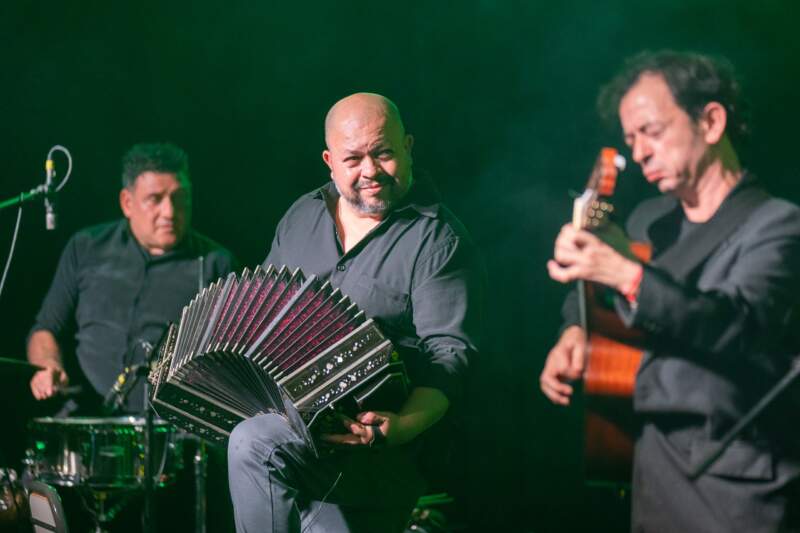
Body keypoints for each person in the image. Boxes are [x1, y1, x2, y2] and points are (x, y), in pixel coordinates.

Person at [540, 50, 800, 532]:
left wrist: (627, 275)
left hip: (737, 491)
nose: (638, 153)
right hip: (652, 481)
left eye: (652, 132)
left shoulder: (778, 225)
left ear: (712, 121)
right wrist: (575, 330)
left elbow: (737, 327)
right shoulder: (647, 222)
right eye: (630, 139)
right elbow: (607, 307)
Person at [226, 93, 485, 533]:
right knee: (247, 437)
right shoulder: (300, 217)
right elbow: (262, 314)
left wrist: (401, 426)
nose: (370, 171)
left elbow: (450, 358)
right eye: (353, 158)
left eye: (383, 152)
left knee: (253, 442)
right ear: (329, 161)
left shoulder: (439, 239)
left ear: (408, 147)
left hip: (374, 458)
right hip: (293, 438)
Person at [28, 142, 237, 415]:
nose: (169, 212)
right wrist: (48, 366)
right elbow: (45, 329)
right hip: (85, 419)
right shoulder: (87, 247)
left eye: (179, 197)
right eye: (155, 199)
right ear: (127, 203)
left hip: (169, 432)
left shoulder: (216, 264)